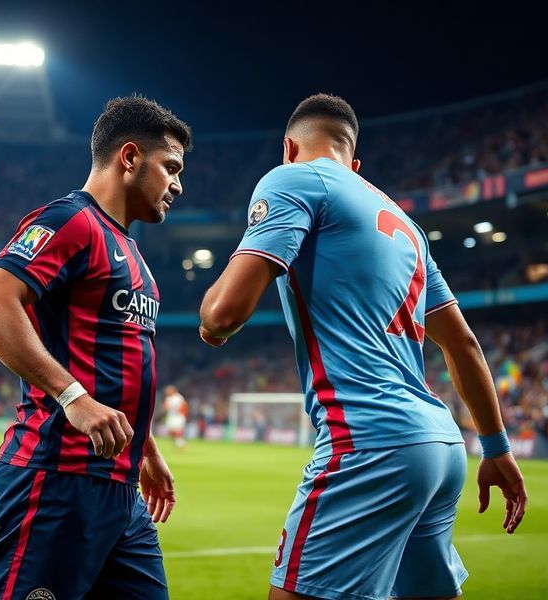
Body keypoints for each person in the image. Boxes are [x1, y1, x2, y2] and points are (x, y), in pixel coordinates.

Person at [199, 94, 527, 600]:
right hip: (442, 446)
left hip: (369, 442)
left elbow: (225, 314)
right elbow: (463, 344)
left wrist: (209, 324)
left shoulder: (292, 178)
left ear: (289, 147)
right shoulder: (408, 227)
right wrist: (498, 447)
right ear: (355, 164)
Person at [0, 95, 191, 600]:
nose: (178, 184)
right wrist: (74, 398)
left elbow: (120, 364)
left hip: (121, 489)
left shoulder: (134, 254)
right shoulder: (71, 221)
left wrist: (146, 447)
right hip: (56, 479)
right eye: (171, 167)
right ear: (129, 157)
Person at [162, 385, 188, 449]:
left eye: (168, 390)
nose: (167, 391)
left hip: (178, 416)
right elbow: (165, 407)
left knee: (177, 431)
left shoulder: (178, 397)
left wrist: (183, 414)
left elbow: (184, 406)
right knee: (170, 432)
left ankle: (181, 444)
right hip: (171, 416)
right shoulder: (168, 398)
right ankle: (178, 443)